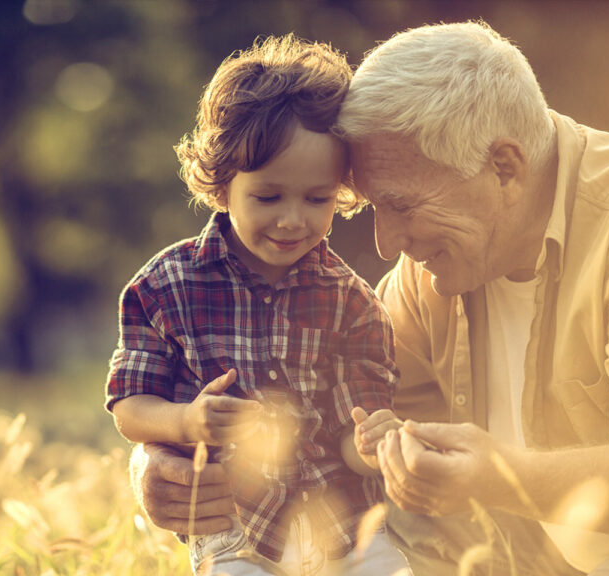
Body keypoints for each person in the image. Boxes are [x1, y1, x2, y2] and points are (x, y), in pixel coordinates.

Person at [130, 21, 609, 575]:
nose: (386, 243)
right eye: (375, 207)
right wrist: (160, 457)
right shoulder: (433, 272)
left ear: (504, 167)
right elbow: (329, 415)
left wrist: (504, 478)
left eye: (403, 205)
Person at [105, 34, 411, 576]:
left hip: (345, 528)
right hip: (236, 532)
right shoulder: (167, 287)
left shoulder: (353, 303)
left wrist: (370, 444)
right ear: (222, 186)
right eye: (268, 197)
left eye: (317, 199)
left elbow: (348, 437)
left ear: (341, 190)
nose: (293, 219)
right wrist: (186, 422)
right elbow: (130, 407)